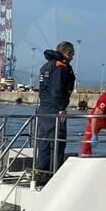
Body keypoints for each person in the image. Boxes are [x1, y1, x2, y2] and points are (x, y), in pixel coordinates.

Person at [35, 42, 76, 184]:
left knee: (44, 142)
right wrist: (61, 109)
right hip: (54, 110)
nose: (73, 57)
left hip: (44, 109)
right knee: (57, 143)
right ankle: (54, 176)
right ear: (68, 53)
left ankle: (41, 174)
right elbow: (57, 90)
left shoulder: (46, 66)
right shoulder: (60, 67)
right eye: (72, 53)